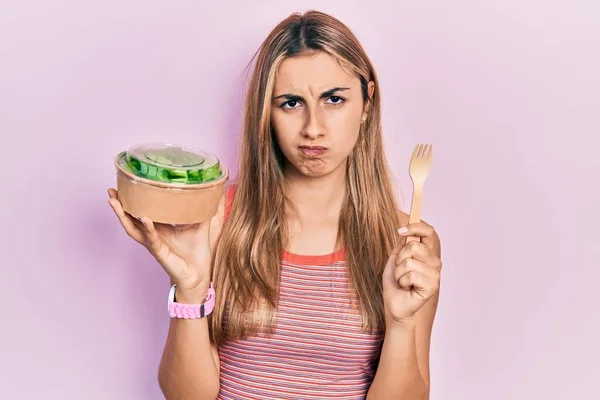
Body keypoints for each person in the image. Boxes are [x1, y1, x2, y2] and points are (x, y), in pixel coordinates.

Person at [108, 9, 442, 400]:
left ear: (367, 103)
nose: (313, 127)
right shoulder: (216, 220)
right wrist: (191, 288)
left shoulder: (408, 246)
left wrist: (401, 324)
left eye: (334, 99)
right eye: (290, 103)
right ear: (266, 112)